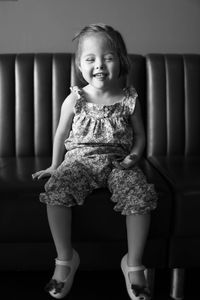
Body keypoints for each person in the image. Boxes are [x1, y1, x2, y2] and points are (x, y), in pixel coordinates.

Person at [32, 23, 157, 300]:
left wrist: (133, 156)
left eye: (108, 57)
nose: (99, 64)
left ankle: (134, 264)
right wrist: (55, 165)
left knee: (139, 195)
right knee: (56, 190)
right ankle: (65, 260)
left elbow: (140, 136)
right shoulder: (75, 98)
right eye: (90, 59)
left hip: (118, 162)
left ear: (121, 61)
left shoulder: (128, 98)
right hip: (80, 161)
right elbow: (61, 132)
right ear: (80, 65)